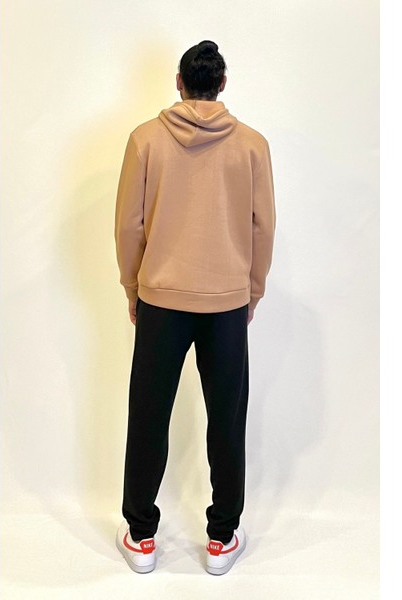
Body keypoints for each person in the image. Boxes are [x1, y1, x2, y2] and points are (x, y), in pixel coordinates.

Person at [114, 40, 276, 575]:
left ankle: (141, 537)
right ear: (222, 84)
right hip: (226, 301)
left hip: (161, 299)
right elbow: (262, 227)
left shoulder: (144, 140)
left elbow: (129, 224)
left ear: (179, 83)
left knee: (148, 415)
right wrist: (252, 290)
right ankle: (222, 538)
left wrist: (133, 286)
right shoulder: (252, 145)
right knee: (226, 419)